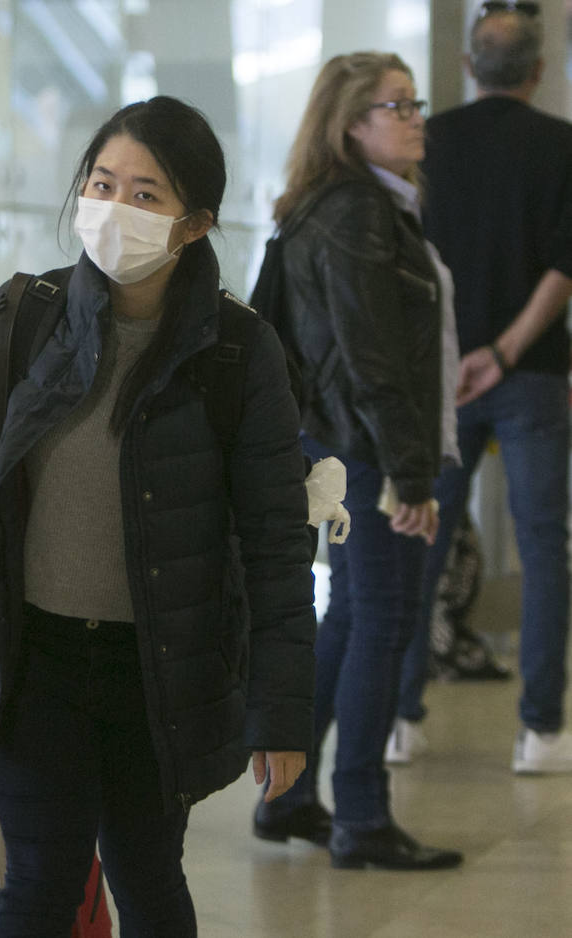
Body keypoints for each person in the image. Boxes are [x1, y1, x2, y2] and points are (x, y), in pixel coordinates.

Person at [0, 95, 317, 936]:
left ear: (195, 223)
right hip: (34, 663)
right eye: (103, 183)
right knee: (38, 890)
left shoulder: (239, 353)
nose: (114, 209)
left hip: (162, 668)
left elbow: (276, 541)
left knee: (148, 880)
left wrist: (279, 712)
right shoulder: (21, 321)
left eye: (146, 194)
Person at [252, 51, 463, 871]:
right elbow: (374, 360)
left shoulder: (353, 205)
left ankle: (289, 798)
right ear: (351, 126)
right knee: (383, 623)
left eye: (415, 101)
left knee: (352, 617)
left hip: (348, 444)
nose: (415, 118)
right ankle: (364, 818)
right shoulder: (356, 215)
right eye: (395, 105)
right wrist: (411, 476)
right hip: (367, 451)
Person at [394, 0, 572, 774]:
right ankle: (540, 731)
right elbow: (565, 270)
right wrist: (503, 353)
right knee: (542, 546)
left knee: (421, 542)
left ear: (468, 66)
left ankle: (399, 718)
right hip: (529, 373)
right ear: (538, 71)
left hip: (443, 375)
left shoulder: (427, 145)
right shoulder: (563, 146)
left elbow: (409, 266)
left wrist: (462, 355)